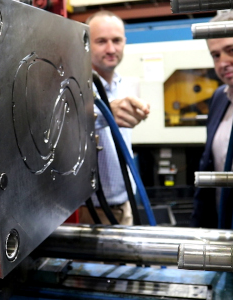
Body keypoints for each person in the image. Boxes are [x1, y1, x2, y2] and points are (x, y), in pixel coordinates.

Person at [78, 11, 150, 225]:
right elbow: (62, 128)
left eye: (116, 40)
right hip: (93, 209)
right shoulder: (74, 87)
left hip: (126, 202)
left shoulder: (122, 85)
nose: (111, 49)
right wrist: (104, 116)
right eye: (101, 41)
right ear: (86, 44)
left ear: (124, 42)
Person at [190, 10, 233, 229]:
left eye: (231, 50)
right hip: (223, 223)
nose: (223, 63)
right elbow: (209, 163)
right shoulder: (219, 97)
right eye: (216, 55)